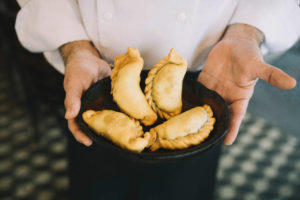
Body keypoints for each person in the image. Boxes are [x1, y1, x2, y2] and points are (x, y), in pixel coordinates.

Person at [15, 0, 300, 199]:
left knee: (183, 189)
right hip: (92, 76)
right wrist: (73, 45)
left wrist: (246, 32)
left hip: (209, 77)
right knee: (97, 185)